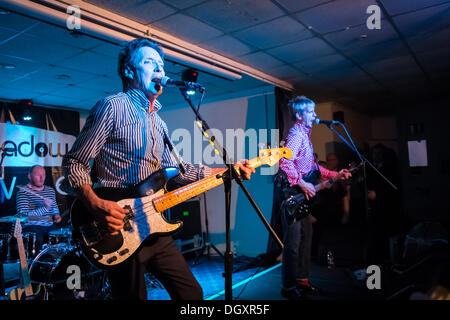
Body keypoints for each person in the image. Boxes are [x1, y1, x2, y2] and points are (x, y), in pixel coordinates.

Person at [62, 38, 254, 300]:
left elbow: (179, 172)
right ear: (129, 71)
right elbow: (75, 162)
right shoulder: (112, 107)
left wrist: (229, 171)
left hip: (154, 227)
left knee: (192, 295)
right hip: (118, 228)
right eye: (150, 62)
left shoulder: (160, 124)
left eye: (162, 65)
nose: (160, 70)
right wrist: (96, 204)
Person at [278, 96, 351, 300]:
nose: (315, 115)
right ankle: (289, 287)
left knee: (305, 240)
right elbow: (284, 161)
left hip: (302, 196)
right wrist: (301, 183)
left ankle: (302, 281)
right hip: (293, 195)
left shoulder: (305, 134)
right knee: (293, 244)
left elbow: (312, 167)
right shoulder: (295, 135)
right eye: (310, 111)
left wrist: (335, 175)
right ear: (299, 115)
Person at [15, 165, 61, 250]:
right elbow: (24, 217)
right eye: (38, 175)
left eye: (43, 175)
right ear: (30, 176)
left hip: (49, 227)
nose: (41, 178)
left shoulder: (50, 190)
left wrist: (57, 216)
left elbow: (54, 209)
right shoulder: (23, 192)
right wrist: (44, 208)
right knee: (38, 238)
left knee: (63, 236)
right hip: (32, 227)